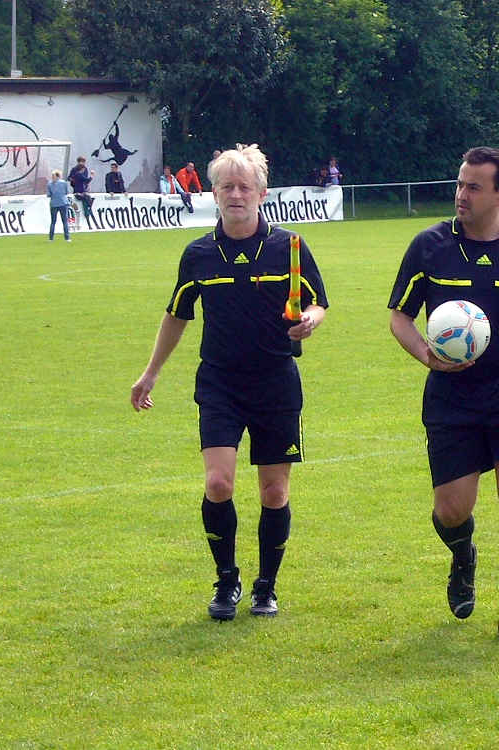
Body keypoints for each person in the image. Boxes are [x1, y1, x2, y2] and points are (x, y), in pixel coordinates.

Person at [130, 144, 329, 620]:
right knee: (219, 483)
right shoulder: (198, 254)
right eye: (226, 186)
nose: (235, 194)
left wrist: (310, 320)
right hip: (219, 382)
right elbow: (177, 314)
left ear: (261, 193)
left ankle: (266, 585)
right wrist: (150, 372)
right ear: (213, 193)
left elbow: (318, 301)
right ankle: (226, 582)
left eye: (244, 187)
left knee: (273, 494)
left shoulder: (290, 247)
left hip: (276, 381)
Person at [387, 146, 499, 644]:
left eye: (473, 187)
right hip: (452, 397)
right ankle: (463, 553)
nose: (461, 194)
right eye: (460, 183)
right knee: (452, 508)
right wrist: (428, 355)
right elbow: (399, 317)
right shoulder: (430, 246)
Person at [67, 156, 95, 221]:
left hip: (83, 187)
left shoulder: (85, 169)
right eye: (82, 162)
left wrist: (87, 185)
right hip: (77, 188)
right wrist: (73, 180)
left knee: (85, 199)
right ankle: (86, 213)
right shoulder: (74, 169)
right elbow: (69, 178)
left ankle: (87, 213)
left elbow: (85, 179)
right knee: (85, 199)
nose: (83, 164)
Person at [46, 169, 71, 242]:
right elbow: (66, 192)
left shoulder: (49, 184)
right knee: (65, 221)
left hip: (54, 204)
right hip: (63, 203)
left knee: (53, 221)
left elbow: (48, 195)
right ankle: (67, 238)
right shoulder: (64, 183)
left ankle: (51, 238)